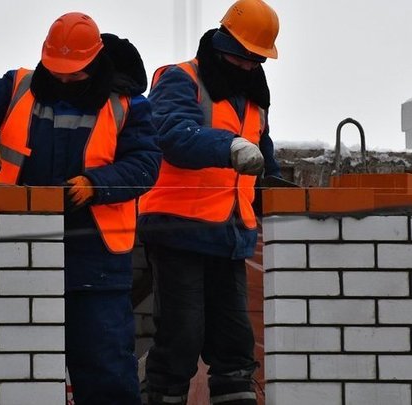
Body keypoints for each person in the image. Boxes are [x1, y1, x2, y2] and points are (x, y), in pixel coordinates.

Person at [0, 12, 161, 405]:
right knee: (13, 369)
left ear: (95, 63)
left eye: (73, 74)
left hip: (95, 261)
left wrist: (96, 185)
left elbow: (146, 164)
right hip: (15, 254)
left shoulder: (128, 106)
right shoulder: (19, 86)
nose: (63, 80)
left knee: (105, 372)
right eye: (57, 71)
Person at [137, 0, 281, 404]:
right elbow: (170, 133)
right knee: (181, 339)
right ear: (222, 44)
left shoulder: (253, 96)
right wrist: (229, 145)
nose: (251, 66)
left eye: (257, 60)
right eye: (245, 56)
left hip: (229, 234)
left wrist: (284, 190)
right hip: (179, 228)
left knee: (235, 345)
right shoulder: (180, 78)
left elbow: (263, 157)